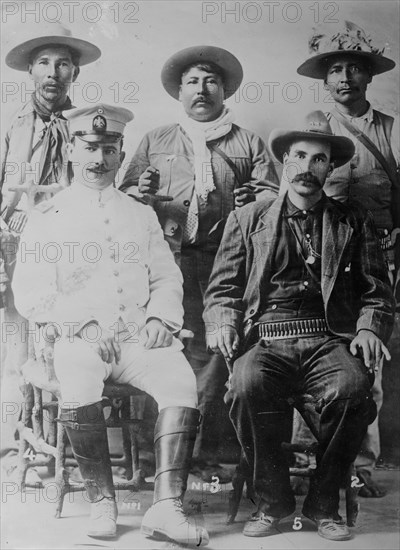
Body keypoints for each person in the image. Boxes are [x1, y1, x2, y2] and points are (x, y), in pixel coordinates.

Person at [12, 104, 209, 547]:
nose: (99, 160)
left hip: (137, 335)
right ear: (71, 151)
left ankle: (165, 509)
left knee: (180, 380)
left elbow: (165, 276)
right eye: (89, 148)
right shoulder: (48, 217)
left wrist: (162, 317)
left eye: (108, 149)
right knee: (79, 376)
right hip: (77, 338)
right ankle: (102, 500)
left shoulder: (139, 214)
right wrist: (80, 324)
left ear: (121, 154)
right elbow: (31, 291)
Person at [203, 110, 395, 541]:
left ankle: (323, 504)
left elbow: (377, 290)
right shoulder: (248, 219)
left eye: (319, 160)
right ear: (283, 162)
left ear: (331, 167)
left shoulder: (352, 219)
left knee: (352, 389)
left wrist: (368, 327)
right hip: (266, 337)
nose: (308, 168)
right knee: (246, 385)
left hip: (329, 338)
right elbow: (222, 290)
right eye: (300, 157)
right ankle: (273, 505)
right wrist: (221, 322)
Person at [119, 45, 279, 481]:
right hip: (166, 266)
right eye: (192, 81)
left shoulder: (247, 142)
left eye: (211, 81)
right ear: (179, 91)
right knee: (163, 352)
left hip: (225, 267)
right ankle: (157, 462)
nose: (202, 89)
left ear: (224, 89)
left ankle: (204, 457)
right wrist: (143, 189)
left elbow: (275, 202)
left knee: (214, 357)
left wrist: (254, 200)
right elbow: (126, 200)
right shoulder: (156, 140)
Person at [296, 20, 400, 496]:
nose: (345, 78)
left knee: (369, 358)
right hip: (326, 261)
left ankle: (358, 463)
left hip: (379, 256)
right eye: (335, 69)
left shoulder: (393, 129)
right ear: (324, 79)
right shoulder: (315, 131)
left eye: (354, 69)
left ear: (368, 77)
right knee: (317, 351)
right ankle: (306, 456)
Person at [0, 22, 101, 482]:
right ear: (30, 72)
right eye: (44, 63)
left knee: (60, 336)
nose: (53, 73)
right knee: (14, 337)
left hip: (65, 249)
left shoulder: (86, 127)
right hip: (10, 243)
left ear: (74, 73)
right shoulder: (10, 126)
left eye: (63, 64)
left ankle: (69, 441)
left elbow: (94, 188)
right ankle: (15, 436)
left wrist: (44, 214)